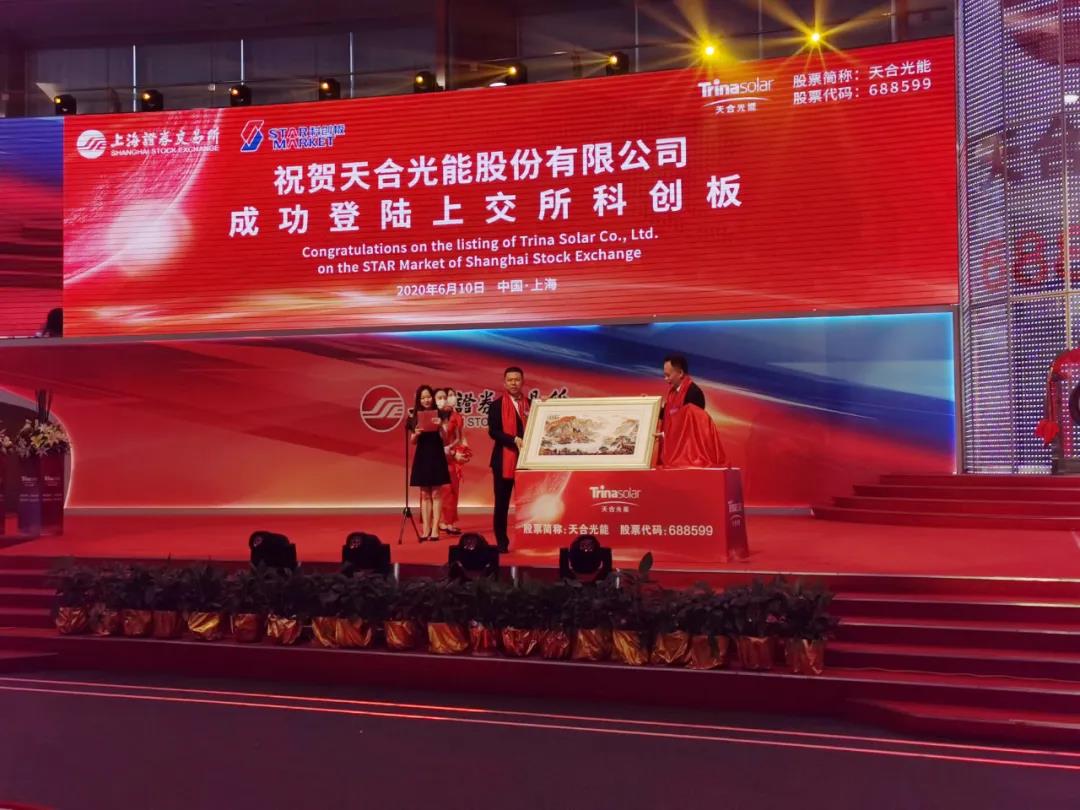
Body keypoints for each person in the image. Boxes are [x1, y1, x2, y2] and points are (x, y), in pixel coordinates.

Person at [657, 353, 725, 467]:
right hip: (671, 449)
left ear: (680, 373)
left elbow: (692, 430)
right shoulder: (673, 392)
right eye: (664, 375)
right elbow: (668, 414)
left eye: (668, 375)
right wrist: (651, 407)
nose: (666, 379)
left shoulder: (694, 394)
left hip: (686, 456)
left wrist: (666, 435)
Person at [487, 366, 528, 552]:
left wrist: (544, 406)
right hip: (503, 460)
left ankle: (529, 538)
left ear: (522, 382)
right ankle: (502, 542)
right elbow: (493, 432)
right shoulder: (496, 406)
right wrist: (513, 440)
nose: (514, 383)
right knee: (501, 504)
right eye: (510, 380)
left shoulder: (531, 404)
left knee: (528, 503)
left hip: (526, 462)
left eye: (517, 379)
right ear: (504, 383)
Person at [408, 385, 451, 542]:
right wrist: (416, 434)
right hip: (422, 456)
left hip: (437, 455)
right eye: (423, 398)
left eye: (428, 397)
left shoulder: (441, 414)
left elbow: (446, 439)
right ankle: (426, 528)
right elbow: (412, 441)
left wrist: (440, 427)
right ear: (419, 400)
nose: (426, 400)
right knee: (425, 494)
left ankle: (435, 528)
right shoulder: (414, 416)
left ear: (433, 398)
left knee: (436, 493)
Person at [435, 387, 469, 535]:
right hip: (439, 457)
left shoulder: (457, 416)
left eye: (452, 395)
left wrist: (464, 451)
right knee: (444, 491)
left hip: (452, 457)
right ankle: (440, 521)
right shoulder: (435, 417)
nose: (449, 398)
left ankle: (449, 522)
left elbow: (461, 437)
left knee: (453, 490)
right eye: (445, 396)